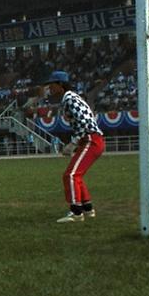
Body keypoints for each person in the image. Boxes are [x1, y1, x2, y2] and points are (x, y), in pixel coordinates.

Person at [42, 71, 105, 223]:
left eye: (52, 85)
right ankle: (87, 209)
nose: (50, 88)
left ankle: (76, 212)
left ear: (60, 85)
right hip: (91, 139)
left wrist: (73, 143)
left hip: (90, 139)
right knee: (76, 175)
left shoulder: (69, 99)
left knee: (70, 175)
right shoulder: (70, 97)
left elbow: (84, 122)